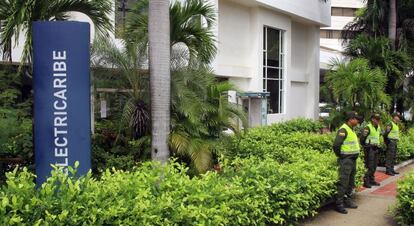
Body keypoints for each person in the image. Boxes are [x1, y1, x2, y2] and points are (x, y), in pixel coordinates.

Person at [332, 111, 362, 214]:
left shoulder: (351, 129)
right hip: (346, 160)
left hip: (352, 160)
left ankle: (347, 200)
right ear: (351, 119)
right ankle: (339, 204)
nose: (358, 121)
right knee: (343, 182)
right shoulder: (343, 130)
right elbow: (336, 145)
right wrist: (341, 156)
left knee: (351, 182)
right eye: (356, 119)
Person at [360, 113, 382, 188]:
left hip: (376, 148)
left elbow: (378, 136)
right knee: (369, 165)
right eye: (376, 119)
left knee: (374, 165)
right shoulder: (368, 127)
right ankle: (366, 181)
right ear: (372, 119)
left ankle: (372, 180)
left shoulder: (378, 127)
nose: (378, 121)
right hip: (369, 149)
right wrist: (366, 146)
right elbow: (362, 139)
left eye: (379, 119)